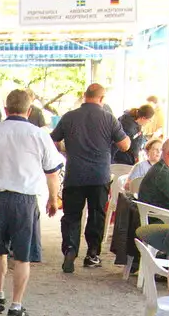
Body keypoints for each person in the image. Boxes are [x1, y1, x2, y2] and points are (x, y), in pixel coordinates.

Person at [0, 89, 61, 316]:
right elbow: (52, 172)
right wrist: (53, 198)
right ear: (29, 111)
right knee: (23, 254)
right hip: (25, 201)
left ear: (5, 110)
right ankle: (16, 304)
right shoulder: (39, 135)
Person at [50, 83, 129, 272]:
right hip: (99, 175)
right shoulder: (109, 119)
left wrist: (65, 151)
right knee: (96, 215)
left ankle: (70, 249)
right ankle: (92, 254)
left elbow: (52, 140)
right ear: (102, 99)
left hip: (74, 174)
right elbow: (125, 145)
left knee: (71, 215)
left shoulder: (69, 117)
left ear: (85, 96)